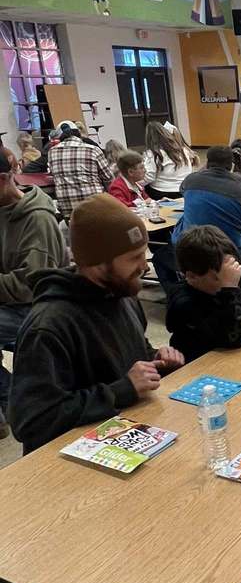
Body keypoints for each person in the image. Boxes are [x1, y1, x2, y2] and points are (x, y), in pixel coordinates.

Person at [8, 194, 184, 454]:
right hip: (70, 465)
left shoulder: (122, 295)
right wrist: (122, 390)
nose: (144, 266)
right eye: (134, 257)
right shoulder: (48, 327)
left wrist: (156, 359)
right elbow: (32, 421)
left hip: (126, 438)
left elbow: (127, 355)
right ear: (97, 263)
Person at [0, 153, 67, 438]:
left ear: (4, 180)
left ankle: (14, 401)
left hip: (39, 310)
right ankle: (11, 399)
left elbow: (31, 285)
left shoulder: (37, 218)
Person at [167, 226, 241, 363]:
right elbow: (233, 339)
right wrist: (230, 289)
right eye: (217, 277)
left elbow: (231, 323)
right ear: (192, 276)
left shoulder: (218, 289)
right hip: (198, 369)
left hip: (225, 362)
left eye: (230, 276)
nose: (226, 283)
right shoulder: (184, 304)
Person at [173, 146, 241, 256]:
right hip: (230, 250)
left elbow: (182, 190)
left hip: (192, 247)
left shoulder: (190, 180)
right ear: (231, 165)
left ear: (207, 162)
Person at [48, 124, 113, 219]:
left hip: (69, 212)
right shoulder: (93, 149)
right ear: (79, 135)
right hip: (96, 207)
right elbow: (109, 178)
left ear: (60, 138)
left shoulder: (51, 152)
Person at [142, 122, 197, 200]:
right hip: (183, 189)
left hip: (162, 191)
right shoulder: (183, 150)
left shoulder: (154, 153)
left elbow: (149, 176)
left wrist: (136, 184)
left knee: (143, 188)